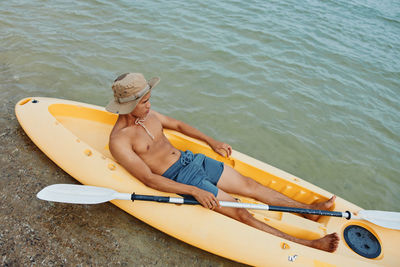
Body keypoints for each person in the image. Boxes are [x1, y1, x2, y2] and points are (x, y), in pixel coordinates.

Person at [106, 72, 339, 252]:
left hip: (191, 159)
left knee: (251, 186)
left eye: (149, 99)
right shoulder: (119, 141)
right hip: (180, 178)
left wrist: (211, 141)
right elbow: (149, 179)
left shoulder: (149, 114)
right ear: (128, 105)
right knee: (242, 213)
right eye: (145, 101)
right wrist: (195, 191)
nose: (150, 105)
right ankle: (309, 245)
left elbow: (177, 125)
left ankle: (308, 211)